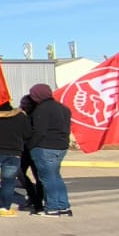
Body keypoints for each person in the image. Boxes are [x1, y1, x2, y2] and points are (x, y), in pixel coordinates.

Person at [26, 83, 73, 217]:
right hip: (61, 146)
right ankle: (64, 206)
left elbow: (39, 131)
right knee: (56, 177)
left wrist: (30, 145)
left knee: (47, 179)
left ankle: (52, 208)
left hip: (45, 147)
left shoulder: (41, 110)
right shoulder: (64, 108)